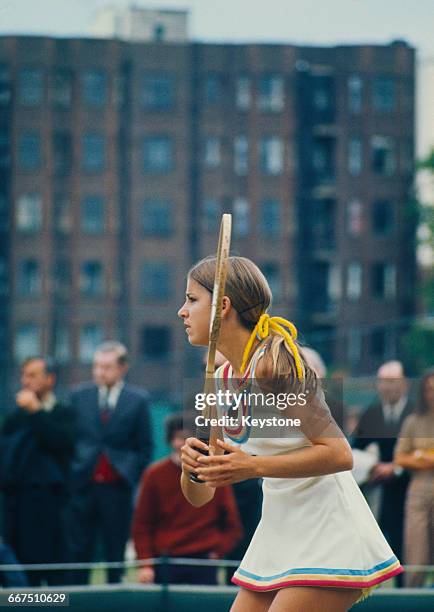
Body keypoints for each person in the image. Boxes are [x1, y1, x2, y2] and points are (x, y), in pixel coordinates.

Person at [178, 255, 402, 612]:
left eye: (191, 299)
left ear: (223, 306)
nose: (182, 312)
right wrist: (192, 467)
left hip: (328, 532)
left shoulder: (272, 364)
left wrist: (253, 466)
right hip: (278, 535)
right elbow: (201, 495)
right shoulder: (221, 382)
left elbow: (339, 454)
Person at [68, 341, 152, 584]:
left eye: (106, 367)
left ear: (122, 368)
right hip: (83, 486)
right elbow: (71, 440)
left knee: (115, 548)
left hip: (118, 489)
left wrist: (131, 474)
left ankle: (114, 597)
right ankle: (78, 600)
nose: (99, 372)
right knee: (79, 549)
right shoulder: (79, 396)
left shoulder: (138, 400)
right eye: (96, 366)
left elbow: (144, 447)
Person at [132, 413, 242, 584]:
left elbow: (232, 524)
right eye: (177, 437)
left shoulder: (215, 472)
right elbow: (142, 523)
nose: (180, 443)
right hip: (166, 560)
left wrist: (216, 552)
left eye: (185, 437)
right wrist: (146, 564)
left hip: (203, 560)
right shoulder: (154, 475)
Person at [0, 357, 75, 586]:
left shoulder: (64, 414)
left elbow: (59, 443)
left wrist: (36, 413)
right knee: (24, 580)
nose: (26, 381)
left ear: (50, 379)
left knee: (57, 582)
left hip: (54, 510)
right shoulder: (14, 419)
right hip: (20, 510)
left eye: (32, 375)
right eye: (24, 375)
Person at [351, 361, 413, 574]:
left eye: (392, 381)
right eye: (383, 382)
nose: (388, 387)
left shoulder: (416, 413)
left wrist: (396, 467)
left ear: (404, 384)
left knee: (409, 547)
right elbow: (355, 448)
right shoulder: (372, 413)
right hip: (379, 490)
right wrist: (371, 466)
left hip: (410, 488)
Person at [394, 368, 434, 587]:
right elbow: (400, 457)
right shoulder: (413, 421)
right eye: (428, 390)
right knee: (416, 555)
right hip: (419, 491)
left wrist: (421, 456)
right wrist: (425, 458)